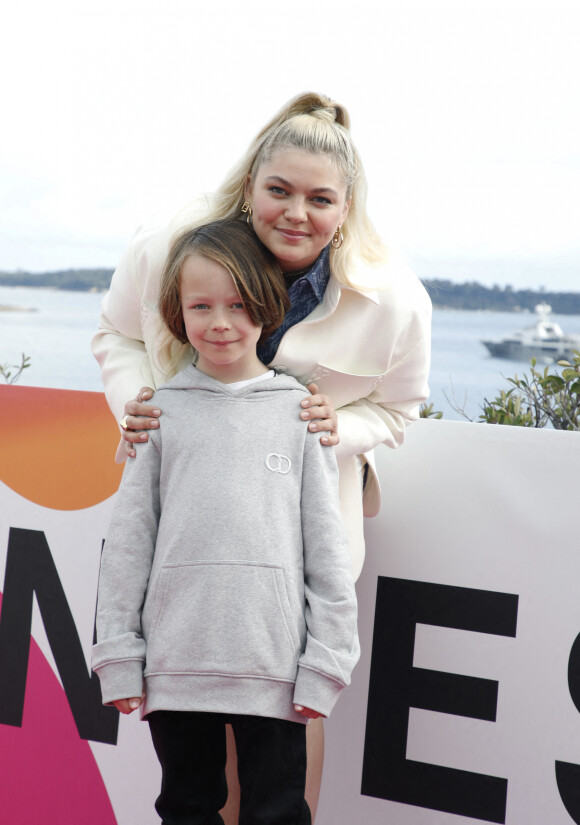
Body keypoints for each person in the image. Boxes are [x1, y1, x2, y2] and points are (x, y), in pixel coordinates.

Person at [92, 91, 431, 818]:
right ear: (250, 184)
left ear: (347, 206)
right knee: (192, 783)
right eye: (278, 189)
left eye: (320, 198)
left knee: (281, 767)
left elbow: (400, 407)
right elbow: (116, 334)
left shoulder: (395, 297)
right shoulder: (170, 247)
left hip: (292, 544)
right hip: (188, 545)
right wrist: (144, 403)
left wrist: (332, 424)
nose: (296, 213)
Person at [92, 219, 360, 825]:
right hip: (175, 670)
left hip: (276, 670)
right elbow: (129, 547)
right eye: (201, 305)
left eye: (239, 305)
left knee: (277, 813)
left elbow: (327, 552)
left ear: (268, 308)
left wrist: (328, 662)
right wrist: (118, 656)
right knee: (186, 809)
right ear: (176, 311)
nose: (220, 322)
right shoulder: (157, 415)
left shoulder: (300, 414)